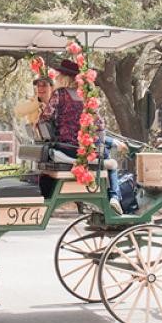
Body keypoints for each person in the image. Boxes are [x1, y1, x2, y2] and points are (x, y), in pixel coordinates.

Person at [39, 59, 124, 214]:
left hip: (66, 149)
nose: (57, 78)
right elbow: (100, 126)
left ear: (64, 77)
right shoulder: (87, 98)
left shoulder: (60, 94)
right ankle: (114, 198)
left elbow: (44, 119)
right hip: (86, 151)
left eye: (59, 75)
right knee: (111, 162)